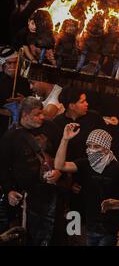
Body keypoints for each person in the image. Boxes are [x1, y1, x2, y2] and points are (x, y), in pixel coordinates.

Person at [54, 125, 119, 246]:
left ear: (106, 148)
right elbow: (59, 165)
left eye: (96, 146)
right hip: (91, 226)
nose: (92, 150)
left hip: (111, 228)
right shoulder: (85, 164)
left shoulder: (118, 169)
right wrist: (65, 139)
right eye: (89, 146)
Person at [0, 97, 62, 246]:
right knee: (29, 235)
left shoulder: (51, 127)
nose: (42, 117)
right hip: (27, 196)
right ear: (25, 115)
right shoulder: (11, 136)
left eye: (42, 113)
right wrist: (8, 190)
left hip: (51, 192)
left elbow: (64, 153)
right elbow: (2, 166)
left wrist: (60, 172)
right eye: (37, 114)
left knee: (51, 234)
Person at [0, 47, 33, 136]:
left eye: (15, 63)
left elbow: (30, 102)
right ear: (3, 64)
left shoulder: (23, 81)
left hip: (19, 125)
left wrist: (24, 100)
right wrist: (3, 112)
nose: (13, 66)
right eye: (9, 63)